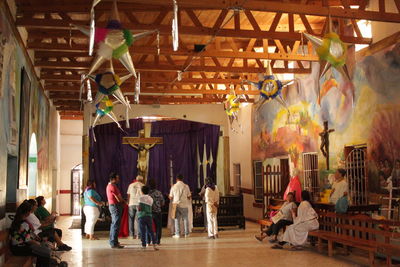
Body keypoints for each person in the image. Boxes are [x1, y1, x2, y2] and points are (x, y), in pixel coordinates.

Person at [10, 201, 51, 267]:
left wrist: (36, 237)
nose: (30, 212)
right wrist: (38, 244)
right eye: (30, 211)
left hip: (23, 246)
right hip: (19, 248)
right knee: (45, 252)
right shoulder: (21, 223)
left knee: (44, 251)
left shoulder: (20, 220)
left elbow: (28, 234)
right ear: (27, 212)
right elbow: (28, 240)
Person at [106, 172, 126, 249]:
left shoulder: (108, 186)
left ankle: (113, 241)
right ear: (113, 179)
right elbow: (119, 198)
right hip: (115, 206)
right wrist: (124, 202)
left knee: (114, 224)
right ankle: (114, 243)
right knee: (116, 224)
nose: (118, 179)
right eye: (117, 178)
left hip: (112, 206)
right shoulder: (113, 186)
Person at [169, 174, 191, 238]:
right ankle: (187, 233)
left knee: (176, 219)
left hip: (176, 205)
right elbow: (189, 196)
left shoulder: (174, 186)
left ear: (177, 179)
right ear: (182, 179)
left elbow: (170, 197)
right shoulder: (186, 186)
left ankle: (177, 234)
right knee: (185, 219)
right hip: (184, 205)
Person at [138, 185, 159, 251]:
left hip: (141, 216)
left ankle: (144, 245)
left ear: (142, 191)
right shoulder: (151, 199)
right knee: (151, 231)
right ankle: (155, 245)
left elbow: (139, 208)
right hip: (149, 216)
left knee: (142, 231)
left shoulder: (140, 198)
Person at [148, 179, 165, 245]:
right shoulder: (159, 193)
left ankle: (148, 241)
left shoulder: (148, 193)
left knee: (149, 227)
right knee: (158, 227)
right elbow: (162, 202)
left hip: (150, 212)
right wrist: (158, 206)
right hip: (158, 212)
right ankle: (158, 241)